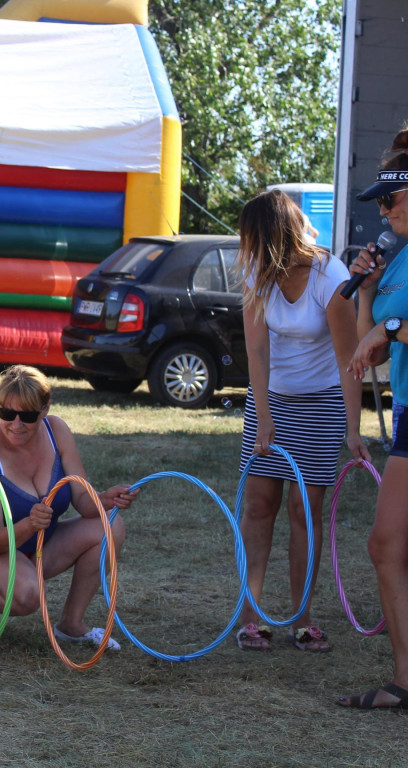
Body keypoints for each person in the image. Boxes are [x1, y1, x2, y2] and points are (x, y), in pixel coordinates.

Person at [235, 188, 370, 653]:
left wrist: (352, 429)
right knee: (257, 507)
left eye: (251, 239)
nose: (245, 249)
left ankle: (301, 620)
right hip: (271, 399)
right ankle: (252, 618)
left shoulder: (329, 277)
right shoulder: (259, 273)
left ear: (272, 236)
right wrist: (265, 412)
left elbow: (348, 357)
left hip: (322, 402)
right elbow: (256, 349)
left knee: (303, 512)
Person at [0, 365, 135, 648]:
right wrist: (29, 524)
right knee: (28, 597)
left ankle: (71, 624)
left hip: (32, 544)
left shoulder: (57, 430)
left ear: (46, 408)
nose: (16, 424)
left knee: (110, 524)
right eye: (7, 414)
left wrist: (105, 499)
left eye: (27, 415)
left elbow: (84, 501)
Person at [338, 127, 408, 708]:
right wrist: (368, 288)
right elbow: (366, 341)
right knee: (387, 545)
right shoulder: (398, 257)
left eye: (390, 198)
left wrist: (387, 331)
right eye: (379, 204)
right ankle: (404, 683)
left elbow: (385, 336)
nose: (382, 212)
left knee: (388, 544)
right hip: (407, 412)